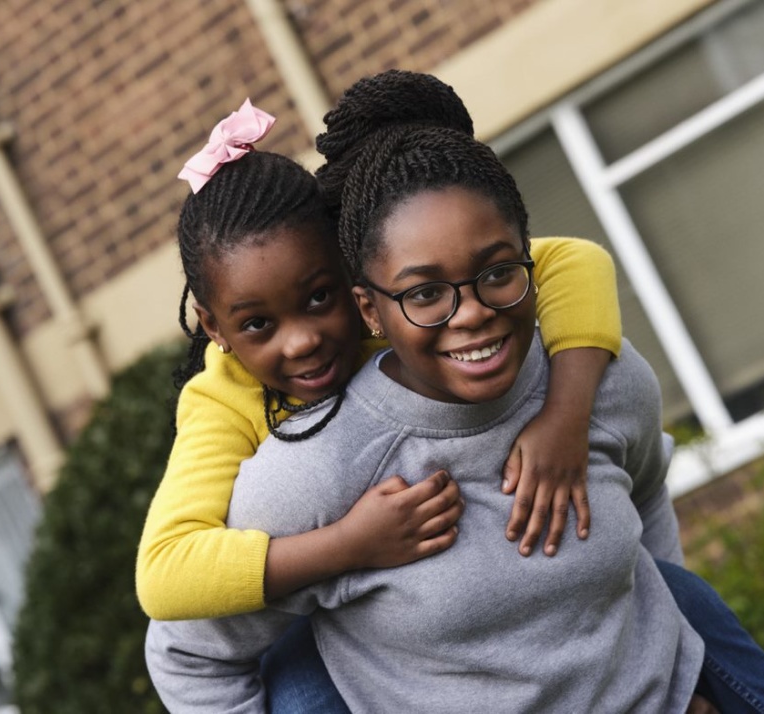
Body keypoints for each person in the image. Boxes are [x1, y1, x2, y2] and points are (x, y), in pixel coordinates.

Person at [145, 74, 764, 713]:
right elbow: (174, 608)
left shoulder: (595, 375)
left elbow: (577, 270)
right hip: (318, 607)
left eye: (494, 272)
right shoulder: (289, 463)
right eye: (424, 292)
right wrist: (349, 544)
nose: (467, 312)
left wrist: (566, 416)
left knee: (681, 594)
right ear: (373, 301)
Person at [135, 98, 623, 626]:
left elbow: (576, 259)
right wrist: (349, 544)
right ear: (213, 328)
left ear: (355, 277)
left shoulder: (399, 311)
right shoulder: (222, 401)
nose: (301, 342)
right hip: (299, 633)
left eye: (320, 298)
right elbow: (165, 575)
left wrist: (564, 418)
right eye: (258, 324)